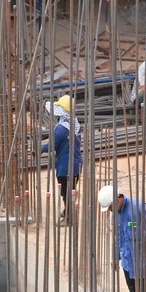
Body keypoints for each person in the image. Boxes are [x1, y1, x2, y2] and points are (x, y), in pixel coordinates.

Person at [97, 185, 146, 292]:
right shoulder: (115, 215)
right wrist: (116, 257)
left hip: (144, 263)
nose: (110, 210)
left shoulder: (138, 208)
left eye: (110, 207)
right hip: (128, 263)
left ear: (116, 200)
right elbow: (118, 237)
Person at [43, 95, 83, 226]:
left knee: (66, 192)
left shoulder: (61, 128)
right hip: (76, 164)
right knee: (70, 190)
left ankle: (69, 219)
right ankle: (68, 211)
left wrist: (41, 148)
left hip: (65, 167)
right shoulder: (75, 125)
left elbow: (52, 146)